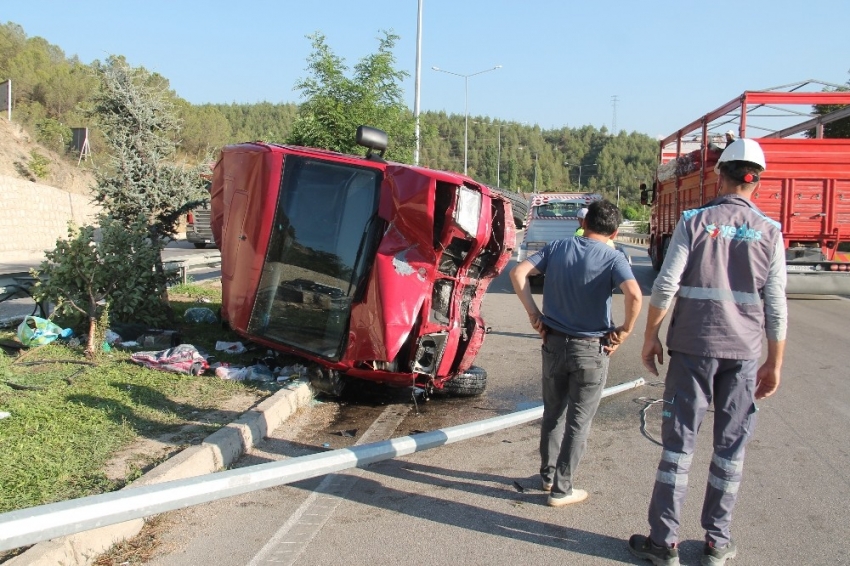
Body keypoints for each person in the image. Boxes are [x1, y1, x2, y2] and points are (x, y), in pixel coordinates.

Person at [628, 138, 787, 566]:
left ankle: (664, 543)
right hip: (745, 353)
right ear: (758, 180)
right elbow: (776, 306)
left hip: (692, 349)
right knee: (730, 450)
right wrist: (775, 362)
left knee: (679, 447)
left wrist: (650, 336)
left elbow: (666, 285)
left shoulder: (695, 221)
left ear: (720, 173)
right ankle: (717, 542)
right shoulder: (771, 233)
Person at [510, 200, 642, 507]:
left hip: (553, 343)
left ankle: (546, 476)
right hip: (591, 350)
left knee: (552, 413)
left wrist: (534, 314)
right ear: (615, 231)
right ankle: (562, 489)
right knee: (578, 422)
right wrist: (625, 330)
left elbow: (519, 273)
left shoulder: (557, 247)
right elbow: (634, 294)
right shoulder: (614, 257)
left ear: (584, 224)